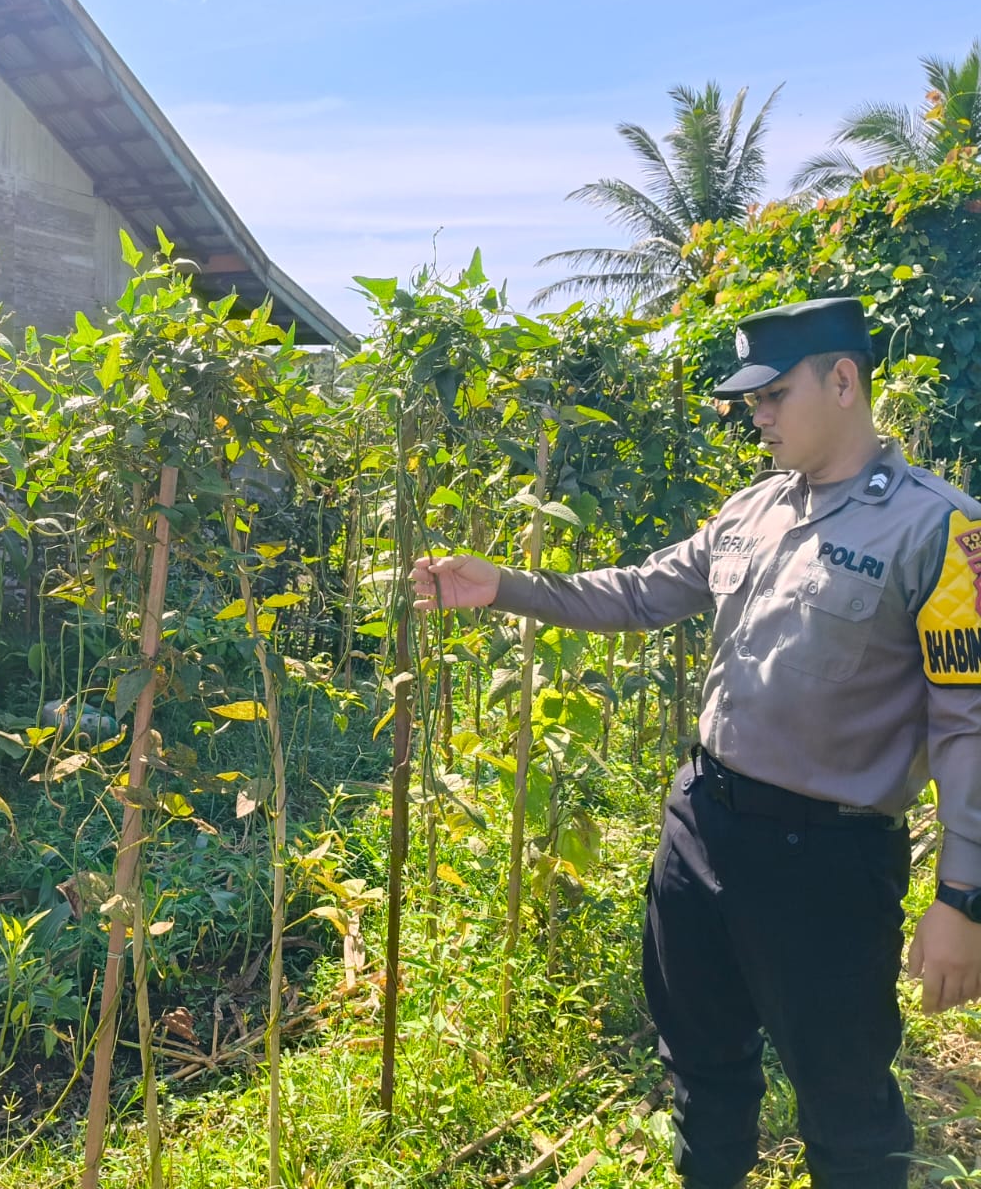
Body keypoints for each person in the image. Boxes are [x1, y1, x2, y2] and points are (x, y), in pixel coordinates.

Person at [411, 297, 981, 1188]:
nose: (756, 416)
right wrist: (507, 586)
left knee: (847, 1109)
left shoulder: (942, 529)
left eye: (772, 395)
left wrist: (963, 897)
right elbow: (642, 594)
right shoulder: (753, 509)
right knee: (702, 1073)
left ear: (843, 381)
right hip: (702, 826)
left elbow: (968, 724)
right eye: (748, 400)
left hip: (825, 865)